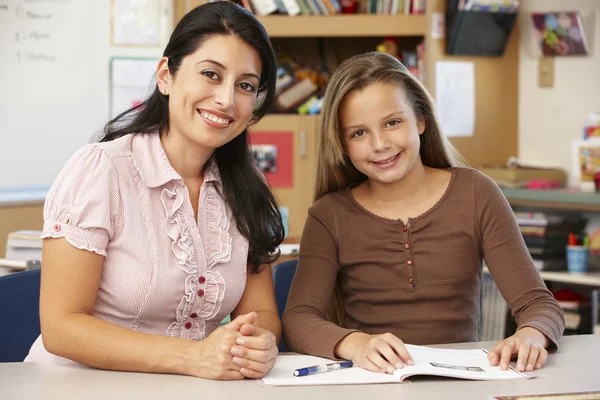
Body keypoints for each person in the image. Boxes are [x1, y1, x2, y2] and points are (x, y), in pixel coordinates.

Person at [25, 2, 285, 381]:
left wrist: (259, 343)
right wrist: (193, 357)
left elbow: (260, 314)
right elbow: (61, 327)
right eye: (211, 74)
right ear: (166, 75)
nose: (227, 100)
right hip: (75, 386)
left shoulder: (248, 186)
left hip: (188, 388)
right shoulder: (102, 170)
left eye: (245, 85)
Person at [282, 52, 565, 375]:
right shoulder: (328, 215)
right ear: (342, 145)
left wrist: (530, 335)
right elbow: (298, 321)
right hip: (370, 386)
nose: (380, 144)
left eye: (392, 122)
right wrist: (357, 344)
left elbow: (540, 306)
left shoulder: (476, 193)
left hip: (459, 388)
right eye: (358, 133)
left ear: (420, 119)